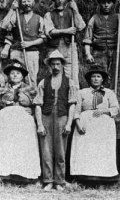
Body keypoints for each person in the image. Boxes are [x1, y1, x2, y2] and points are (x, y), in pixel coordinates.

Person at [0, 61, 40, 181]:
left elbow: (38, 105)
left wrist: (32, 111)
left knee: (22, 147)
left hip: (24, 125)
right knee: (5, 146)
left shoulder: (31, 89)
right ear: (8, 75)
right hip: (5, 124)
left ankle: (23, 175)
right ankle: (4, 174)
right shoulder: (2, 89)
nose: (15, 75)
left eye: (18, 73)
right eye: (12, 73)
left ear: (22, 76)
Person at [34, 50, 77, 191]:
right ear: (49, 66)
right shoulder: (43, 82)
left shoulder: (69, 82)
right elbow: (38, 105)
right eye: (53, 64)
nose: (56, 67)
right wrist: (40, 124)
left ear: (62, 65)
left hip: (62, 116)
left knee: (60, 151)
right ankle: (48, 180)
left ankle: (59, 181)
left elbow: (72, 104)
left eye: (58, 64)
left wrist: (69, 123)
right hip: (46, 116)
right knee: (46, 150)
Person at [70, 64, 119, 181]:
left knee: (100, 149)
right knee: (86, 148)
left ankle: (103, 176)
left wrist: (103, 110)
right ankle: (84, 175)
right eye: (93, 76)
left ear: (102, 79)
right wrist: (78, 125)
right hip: (86, 123)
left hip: (103, 126)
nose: (96, 79)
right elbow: (76, 111)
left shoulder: (109, 93)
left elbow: (115, 109)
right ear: (89, 79)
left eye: (98, 76)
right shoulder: (82, 92)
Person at [83, 0, 120, 86]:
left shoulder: (117, 17)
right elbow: (87, 37)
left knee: (114, 75)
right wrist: (88, 53)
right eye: (104, 2)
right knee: (98, 74)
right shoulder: (94, 18)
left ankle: (112, 95)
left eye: (108, 2)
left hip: (114, 51)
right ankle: (99, 95)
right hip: (98, 52)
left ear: (112, 4)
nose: (106, 5)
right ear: (100, 4)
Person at [44, 0, 85, 89]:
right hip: (54, 48)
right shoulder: (49, 15)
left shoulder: (72, 13)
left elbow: (81, 26)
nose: (60, 1)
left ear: (67, 0)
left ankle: (73, 100)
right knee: (55, 74)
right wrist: (66, 31)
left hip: (69, 47)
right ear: (54, 0)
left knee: (72, 76)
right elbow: (50, 31)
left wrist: (75, 10)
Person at [1, 0, 45, 85]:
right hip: (16, 52)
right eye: (24, 2)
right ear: (21, 3)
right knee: (14, 77)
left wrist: (30, 43)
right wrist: (12, 9)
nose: (26, 4)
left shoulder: (39, 19)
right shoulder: (15, 16)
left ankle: (30, 98)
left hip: (32, 53)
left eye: (29, 1)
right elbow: (4, 26)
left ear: (33, 3)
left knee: (31, 79)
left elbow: (43, 38)